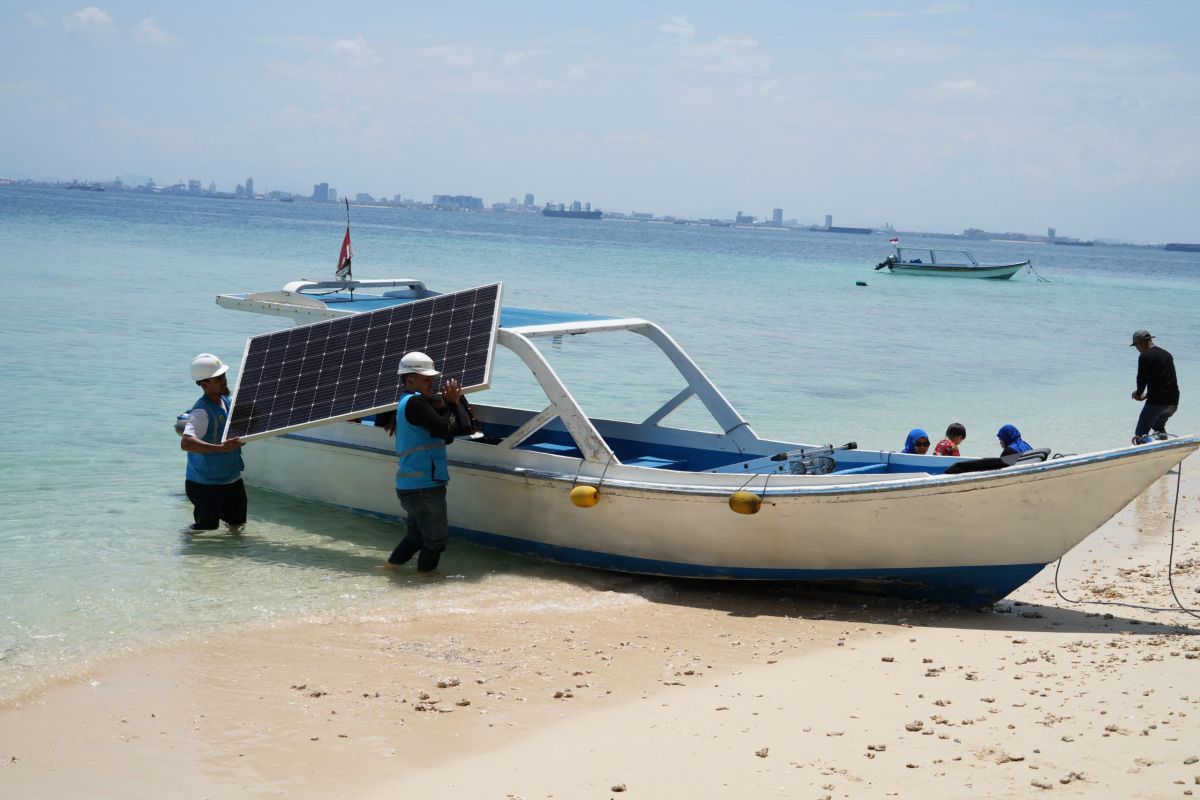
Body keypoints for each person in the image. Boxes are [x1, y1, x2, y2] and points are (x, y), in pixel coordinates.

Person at [385, 351, 473, 573]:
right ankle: (424, 585)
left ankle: (388, 569)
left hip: (412, 485)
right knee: (436, 541)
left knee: (415, 538)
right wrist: (452, 404)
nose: (432, 384)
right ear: (410, 380)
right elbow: (446, 432)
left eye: (432, 379)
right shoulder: (416, 404)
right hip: (423, 487)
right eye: (427, 379)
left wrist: (453, 402)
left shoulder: (408, 403)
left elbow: (455, 429)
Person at [180, 353, 246, 532]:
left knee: (237, 524)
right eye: (218, 378)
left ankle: (234, 558)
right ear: (204, 383)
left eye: (223, 376)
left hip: (232, 479)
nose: (224, 380)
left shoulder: (225, 401)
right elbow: (186, 443)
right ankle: (187, 544)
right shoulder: (200, 412)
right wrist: (221, 448)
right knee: (205, 529)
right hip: (205, 484)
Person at [1130, 330, 1179, 445]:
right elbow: (1166, 381)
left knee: (1140, 434)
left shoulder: (1145, 356)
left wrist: (1138, 394)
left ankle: (1148, 454)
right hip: (1173, 402)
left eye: (1136, 346)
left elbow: (1141, 379)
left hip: (1156, 403)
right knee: (1158, 428)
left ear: (1140, 343)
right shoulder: (1167, 354)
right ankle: (1164, 450)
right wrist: (1146, 395)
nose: (1137, 349)